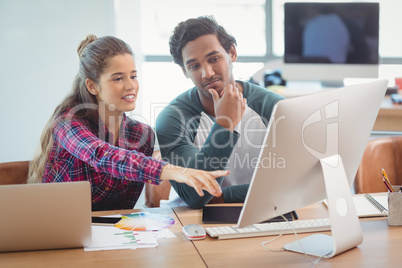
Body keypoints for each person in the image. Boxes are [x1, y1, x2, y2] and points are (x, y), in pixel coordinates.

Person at [27, 34, 228, 211]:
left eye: (133, 76)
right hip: (58, 233)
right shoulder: (68, 123)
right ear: (92, 86)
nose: (130, 86)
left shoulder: (142, 135)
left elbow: (125, 208)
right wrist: (173, 170)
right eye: (118, 79)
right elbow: (102, 156)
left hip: (115, 237)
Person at [155, 16, 284, 209]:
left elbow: (290, 182)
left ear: (232, 53)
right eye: (194, 66)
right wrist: (225, 124)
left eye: (213, 59)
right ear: (184, 71)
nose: (207, 73)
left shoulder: (275, 107)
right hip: (193, 221)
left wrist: (221, 197)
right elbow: (195, 196)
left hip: (264, 211)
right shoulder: (172, 118)